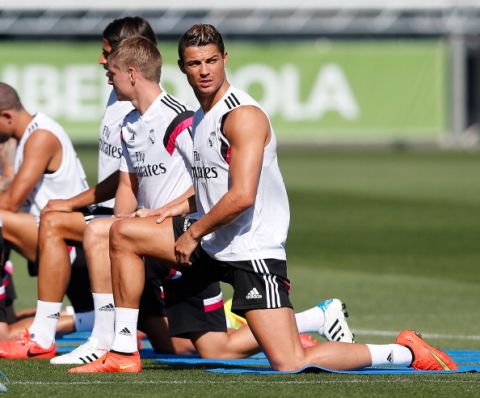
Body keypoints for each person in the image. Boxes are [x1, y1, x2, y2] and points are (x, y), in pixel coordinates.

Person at [68, 24, 458, 373]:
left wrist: (191, 233)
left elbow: (240, 196)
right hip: (213, 239)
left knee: (289, 362)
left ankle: (404, 352)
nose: (204, 70)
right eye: (194, 63)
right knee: (119, 233)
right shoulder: (200, 117)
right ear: (182, 68)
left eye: (211, 60)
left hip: (251, 248)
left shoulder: (242, 116)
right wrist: (170, 210)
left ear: (225, 60)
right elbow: (207, 188)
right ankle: (121, 351)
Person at [0, 82, 93, 342]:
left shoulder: (40, 136)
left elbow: (9, 204)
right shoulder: (27, 136)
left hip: (73, 245)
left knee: (1, 219)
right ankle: (85, 317)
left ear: (6, 116)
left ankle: (81, 319)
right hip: (56, 241)